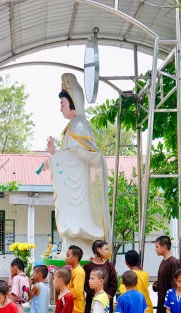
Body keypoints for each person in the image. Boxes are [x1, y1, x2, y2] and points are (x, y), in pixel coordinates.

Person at [42, 73, 110, 253]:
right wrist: (54, 155)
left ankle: (80, 247)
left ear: (72, 103)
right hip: (72, 185)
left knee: (77, 223)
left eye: (62, 104)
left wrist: (55, 157)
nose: (60, 109)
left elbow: (81, 154)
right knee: (70, 227)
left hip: (79, 186)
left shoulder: (79, 124)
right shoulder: (70, 127)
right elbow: (69, 156)